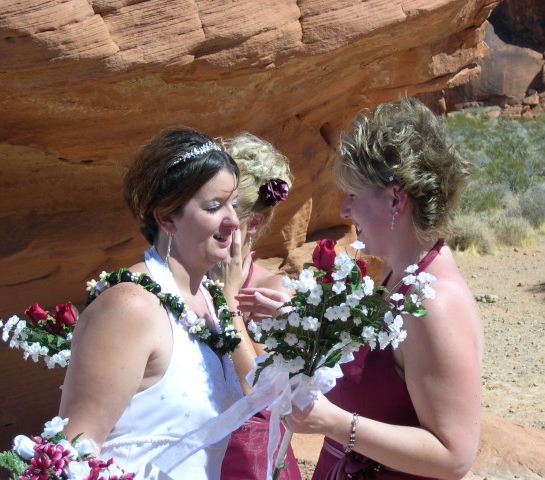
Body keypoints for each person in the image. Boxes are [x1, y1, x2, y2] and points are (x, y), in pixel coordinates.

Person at [238, 98, 483, 479]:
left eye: (353, 195)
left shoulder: (434, 302)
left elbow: (454, 456)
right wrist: (301, 322)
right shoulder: (398, 277)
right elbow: (372, 365)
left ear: (395, 199)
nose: (343, 211)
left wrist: (335, 424)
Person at [58, 128, 253, 479]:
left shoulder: (211, 303)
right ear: (165, 218)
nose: (233, 221)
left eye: (233, 204)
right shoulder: (130, 305)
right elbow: (74, 450)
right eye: (214, 206)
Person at [210, 133, 302, 480]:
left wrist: (228, 300)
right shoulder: (187, 279)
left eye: (226, 212)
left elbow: (258, 390)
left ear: (255, 222)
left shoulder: (271, 289)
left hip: (251, 460)